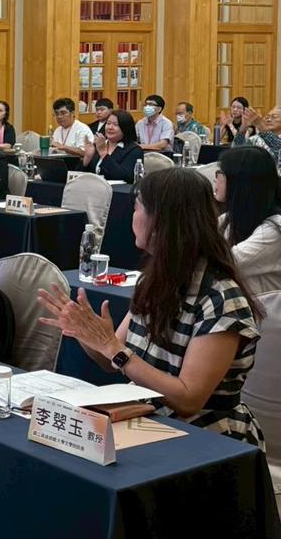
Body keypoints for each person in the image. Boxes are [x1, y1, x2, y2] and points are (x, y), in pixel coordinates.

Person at [38, 168, 264, 449]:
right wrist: (85, 332)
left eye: (137, 208)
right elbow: (111, 359)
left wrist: (113, 348)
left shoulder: (221, 299)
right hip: (146, 421)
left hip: (206, 439)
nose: (132, 217)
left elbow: (188, 399)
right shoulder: (154, 281)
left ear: (162, 221)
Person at [215, 146, 281, 295]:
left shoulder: (274, 230)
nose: (215, 179)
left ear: (240, 182)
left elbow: (223, 262)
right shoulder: (230, 218)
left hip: (263, 308)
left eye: (220, 173)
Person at [82, 109, 143, 182]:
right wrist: (87, 157)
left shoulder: (134, 150)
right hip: (94, 187)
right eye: (108, 123)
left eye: (115, 125)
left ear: (125, 128)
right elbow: (79, 176)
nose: (110, 127)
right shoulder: (98, 145)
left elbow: (126, 177)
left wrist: (103, 154)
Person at [235, 105, 281, 172]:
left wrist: (260, 125)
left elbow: (278, 148)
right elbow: (237, 152)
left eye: (274, 117)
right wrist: (242, 130)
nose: (268, 120)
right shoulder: (256, 138)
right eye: (267, 117)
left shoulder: (266, 135)